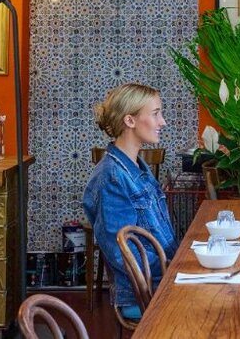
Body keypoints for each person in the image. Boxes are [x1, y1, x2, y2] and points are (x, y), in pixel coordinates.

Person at [82, 83, 177, 321]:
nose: (162, 122)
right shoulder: (111, 178)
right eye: (155, 114)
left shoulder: (137, 169)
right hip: (143, 295)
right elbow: (124, 255)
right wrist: (177, 271)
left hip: (164, 281)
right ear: (130, 121)